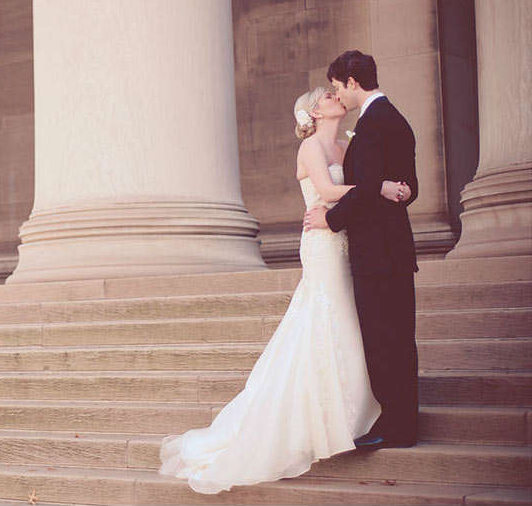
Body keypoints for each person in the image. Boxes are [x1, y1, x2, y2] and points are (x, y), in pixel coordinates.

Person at [157, 79, 411, 494]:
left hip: (347, 242)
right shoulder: (309, 149)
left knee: (350, 318)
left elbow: (354, 193)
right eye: (327, 97)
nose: (335, 98)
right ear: (314, 112)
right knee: (325, 315)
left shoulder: (347, 148)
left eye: (334, 93)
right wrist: (379, 189)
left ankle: (357, 411)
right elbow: (328, 192)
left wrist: (386, 186)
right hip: (322, 243)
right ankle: (315, 418)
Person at [305, 50, 420, 451]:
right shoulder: (398, 119)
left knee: (384, 336)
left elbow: (369, 189)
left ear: (353, 82)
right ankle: (403, 420)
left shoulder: (372, 125)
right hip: (395, 249)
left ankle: (397, 424)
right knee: (400, 336)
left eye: (338, 87)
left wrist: (330, 220)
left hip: (377, 253)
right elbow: (408, 185)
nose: (338, 94)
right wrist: (399, 190)